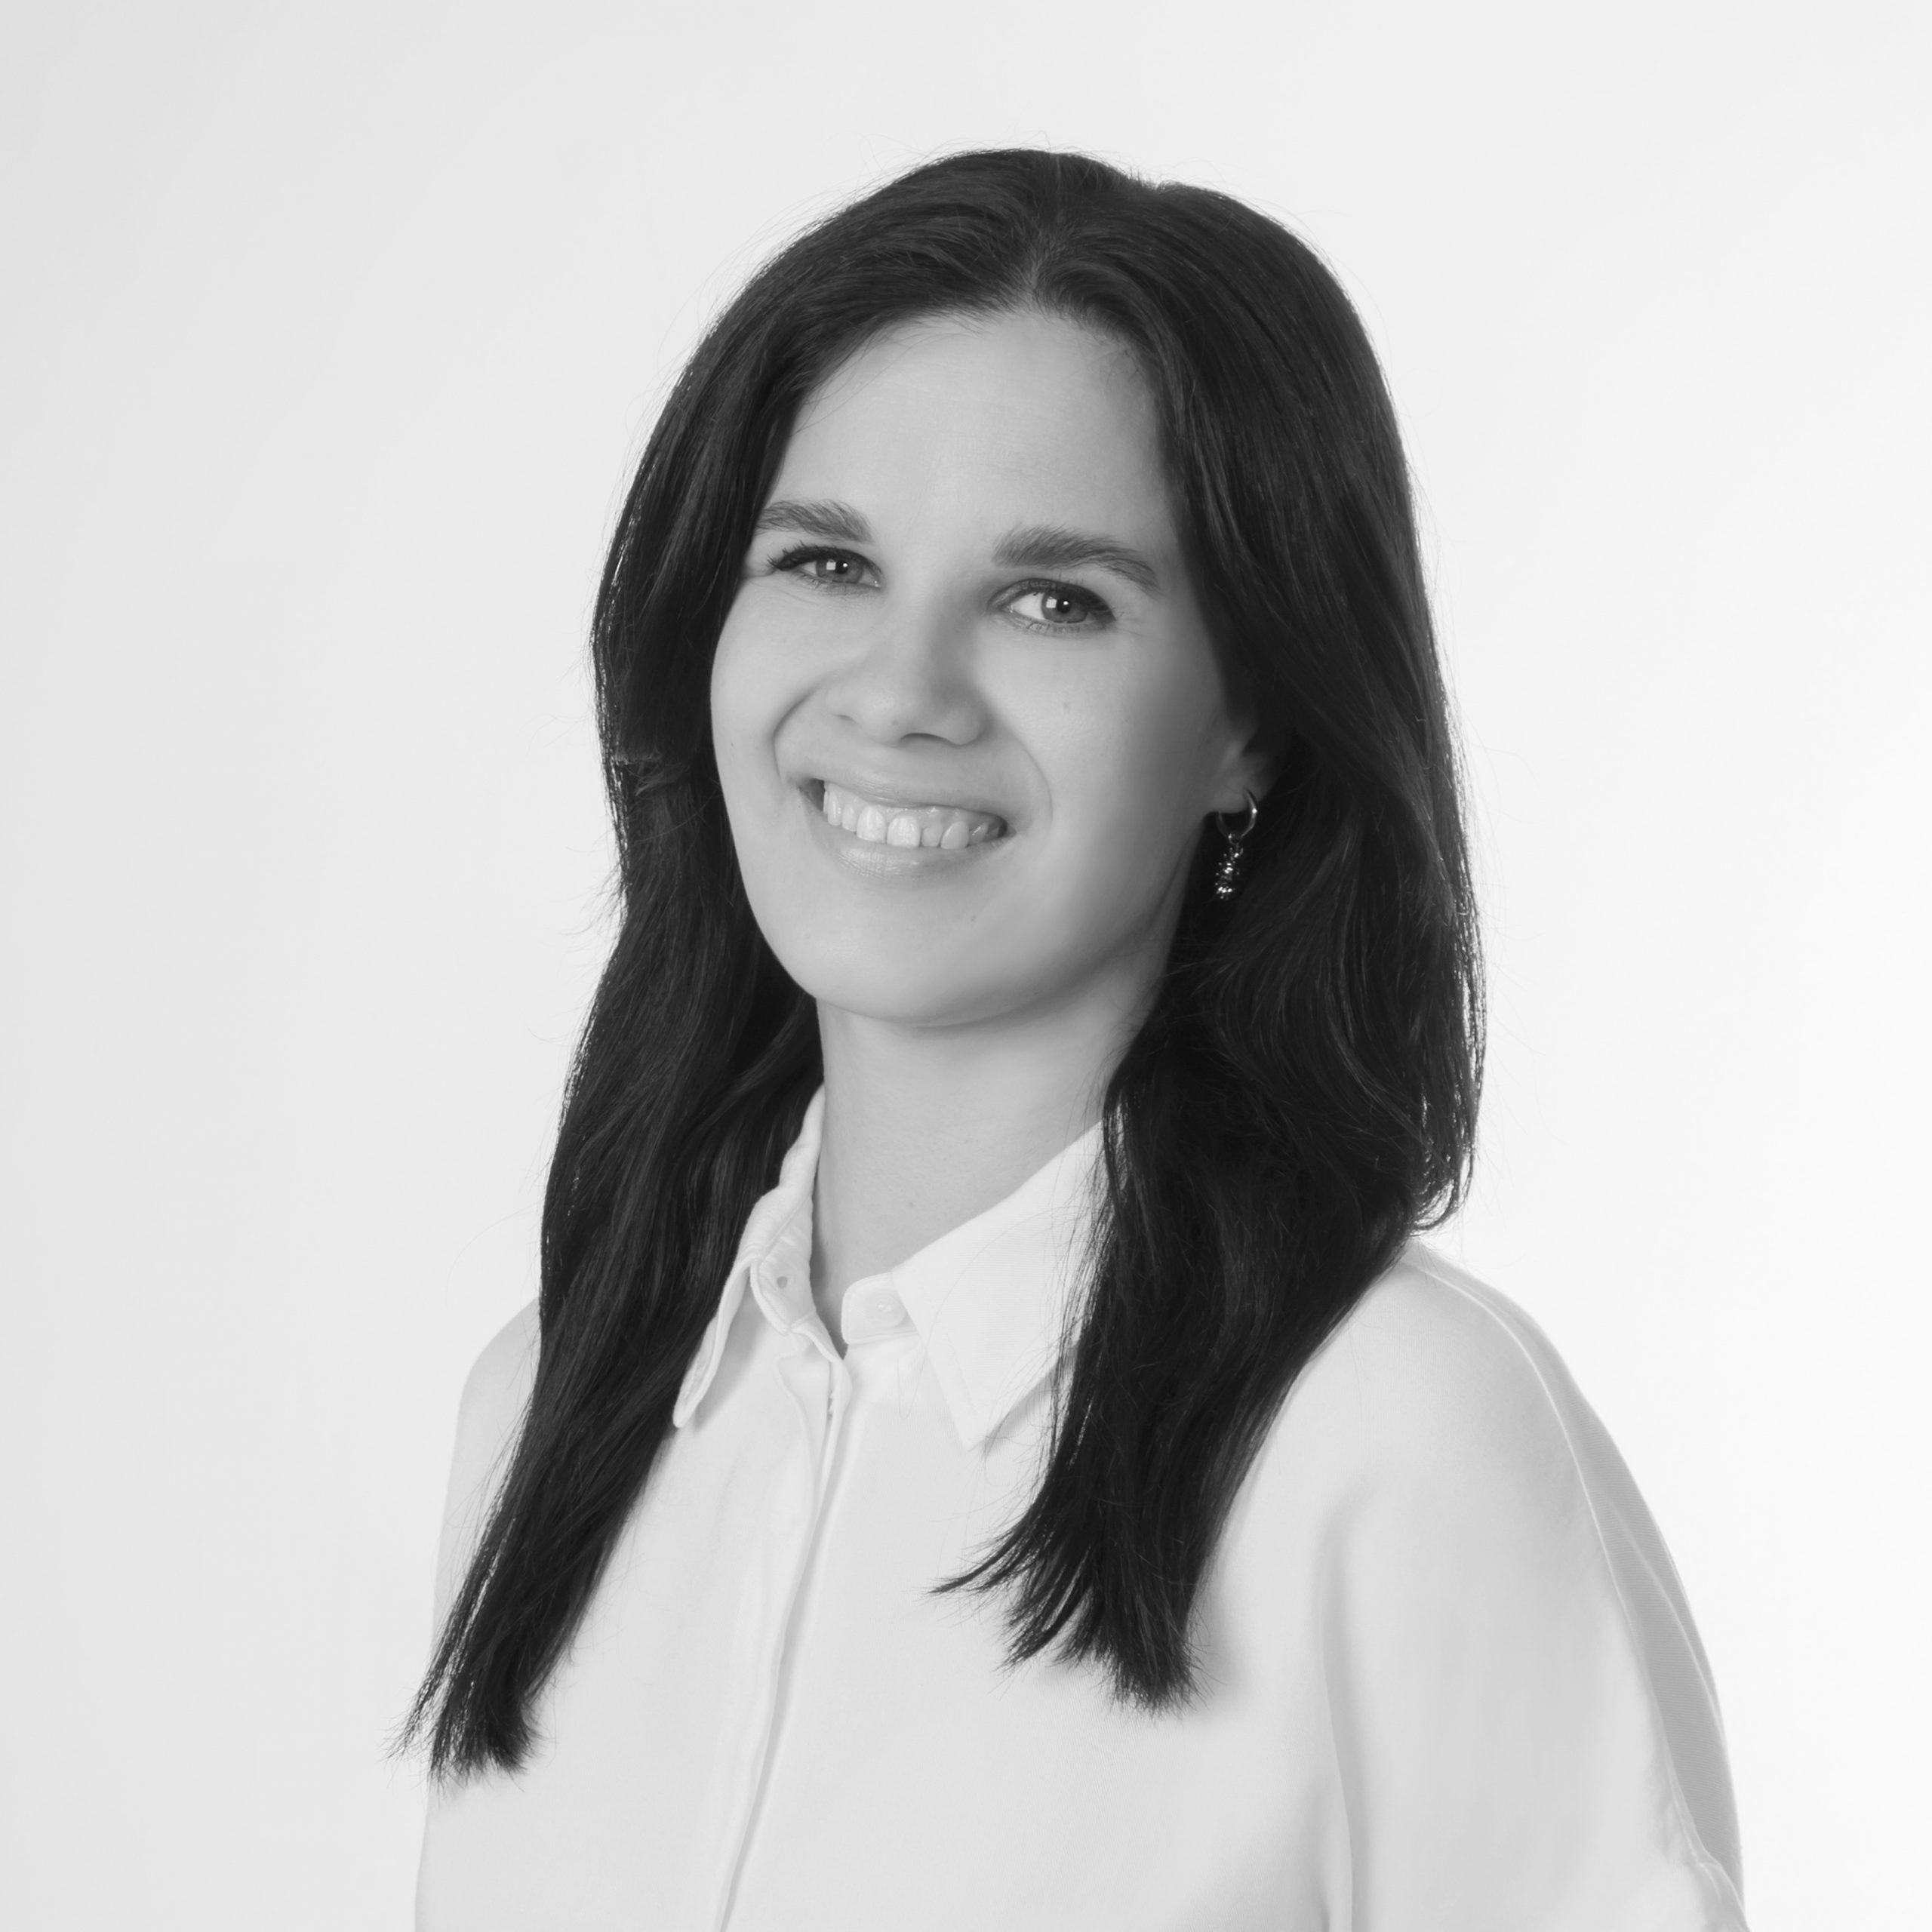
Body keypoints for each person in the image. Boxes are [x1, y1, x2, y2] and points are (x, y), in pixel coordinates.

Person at [404, 149, 1746, 1930]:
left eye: (1053, 599)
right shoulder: (544, 1403)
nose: (898, 692)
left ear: (1249, 723)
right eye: (823, 560)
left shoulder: (1392, 1436)